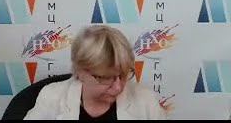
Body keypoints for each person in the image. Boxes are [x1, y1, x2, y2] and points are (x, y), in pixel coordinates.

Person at [24, 25, 167, 120]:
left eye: (123, 74)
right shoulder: (52, 97)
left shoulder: (146, 101)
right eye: (106, 78)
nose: (118, 87)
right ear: (80, 71)